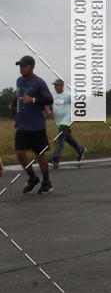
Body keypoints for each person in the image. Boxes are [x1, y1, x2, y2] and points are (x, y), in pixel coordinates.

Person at [14, 55, 54, 194]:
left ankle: (46, 182)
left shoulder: (39, 82)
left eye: (23, 66)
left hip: (36, 125)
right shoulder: (19, 80)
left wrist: (33, 100)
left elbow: (49, 99)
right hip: (22, 124)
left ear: (31, 67)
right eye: (20, 66)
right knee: (20, 153)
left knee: (40, 155)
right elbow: (20, 97)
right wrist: (14, 104)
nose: (21, 68)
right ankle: (33, 178)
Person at [46, 79, 86, 167]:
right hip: (59, 120)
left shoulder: (68, 94)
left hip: (67, 119)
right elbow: (46, 103)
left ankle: (55, 159)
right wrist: (48, 110)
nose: (55, 86)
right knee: (68, 138)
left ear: (62, 85)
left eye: (57, 85)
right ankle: (80, 150)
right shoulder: (52, 95)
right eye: (55, 85)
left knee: (61, 138)